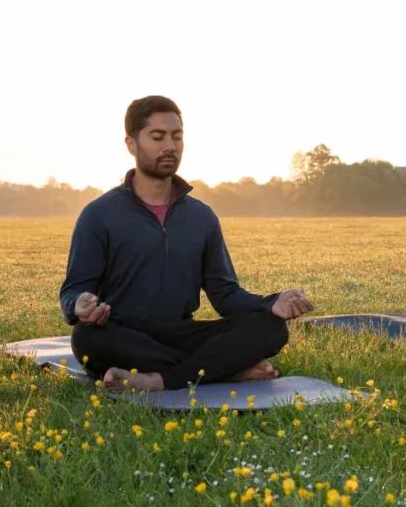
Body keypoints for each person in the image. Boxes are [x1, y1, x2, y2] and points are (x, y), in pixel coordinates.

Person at [60, 95, 315, 393]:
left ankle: (157, 380)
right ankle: (220, 371)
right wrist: (79, 305)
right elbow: (73, 288)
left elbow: (225, 295)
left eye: (177, 136)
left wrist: (271, 302)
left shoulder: (201, 216)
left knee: (270, 328)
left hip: (181, 331)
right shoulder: (98, 214)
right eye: (158, 137)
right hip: (123, 333)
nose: (170, 146)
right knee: (87, 340)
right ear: (131, 144)